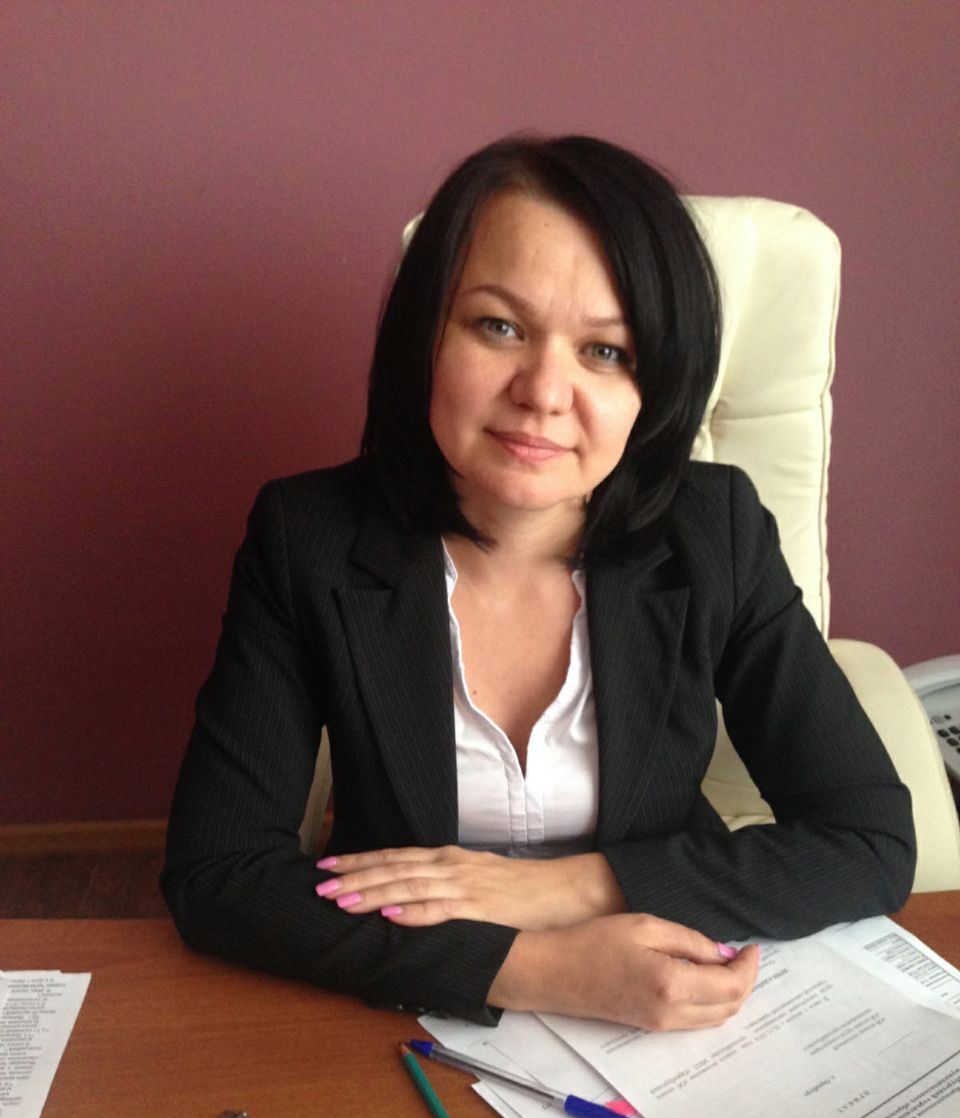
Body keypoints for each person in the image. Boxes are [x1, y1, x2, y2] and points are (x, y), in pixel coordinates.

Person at [162, 135, 915, 1029]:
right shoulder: (309, 537)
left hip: (671, 999)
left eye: (606, 351)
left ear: (656, 386)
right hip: (413, 1000)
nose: (544, 392)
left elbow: (867, 838)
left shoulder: (714, 531)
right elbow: (218, 874)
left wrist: (564, 891)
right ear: (426, 337)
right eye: (500, 327)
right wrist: (535, 968)